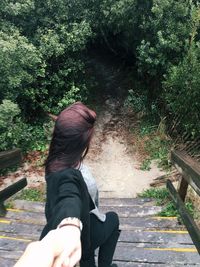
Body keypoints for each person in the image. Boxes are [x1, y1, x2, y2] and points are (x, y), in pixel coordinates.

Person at [39, 102, 120, 267]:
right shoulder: (77, 176)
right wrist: (70, 225)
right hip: (83, 236)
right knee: (114, 219)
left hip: (57, 224)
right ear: (82, 143)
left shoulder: (53, 162)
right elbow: (71, 196)